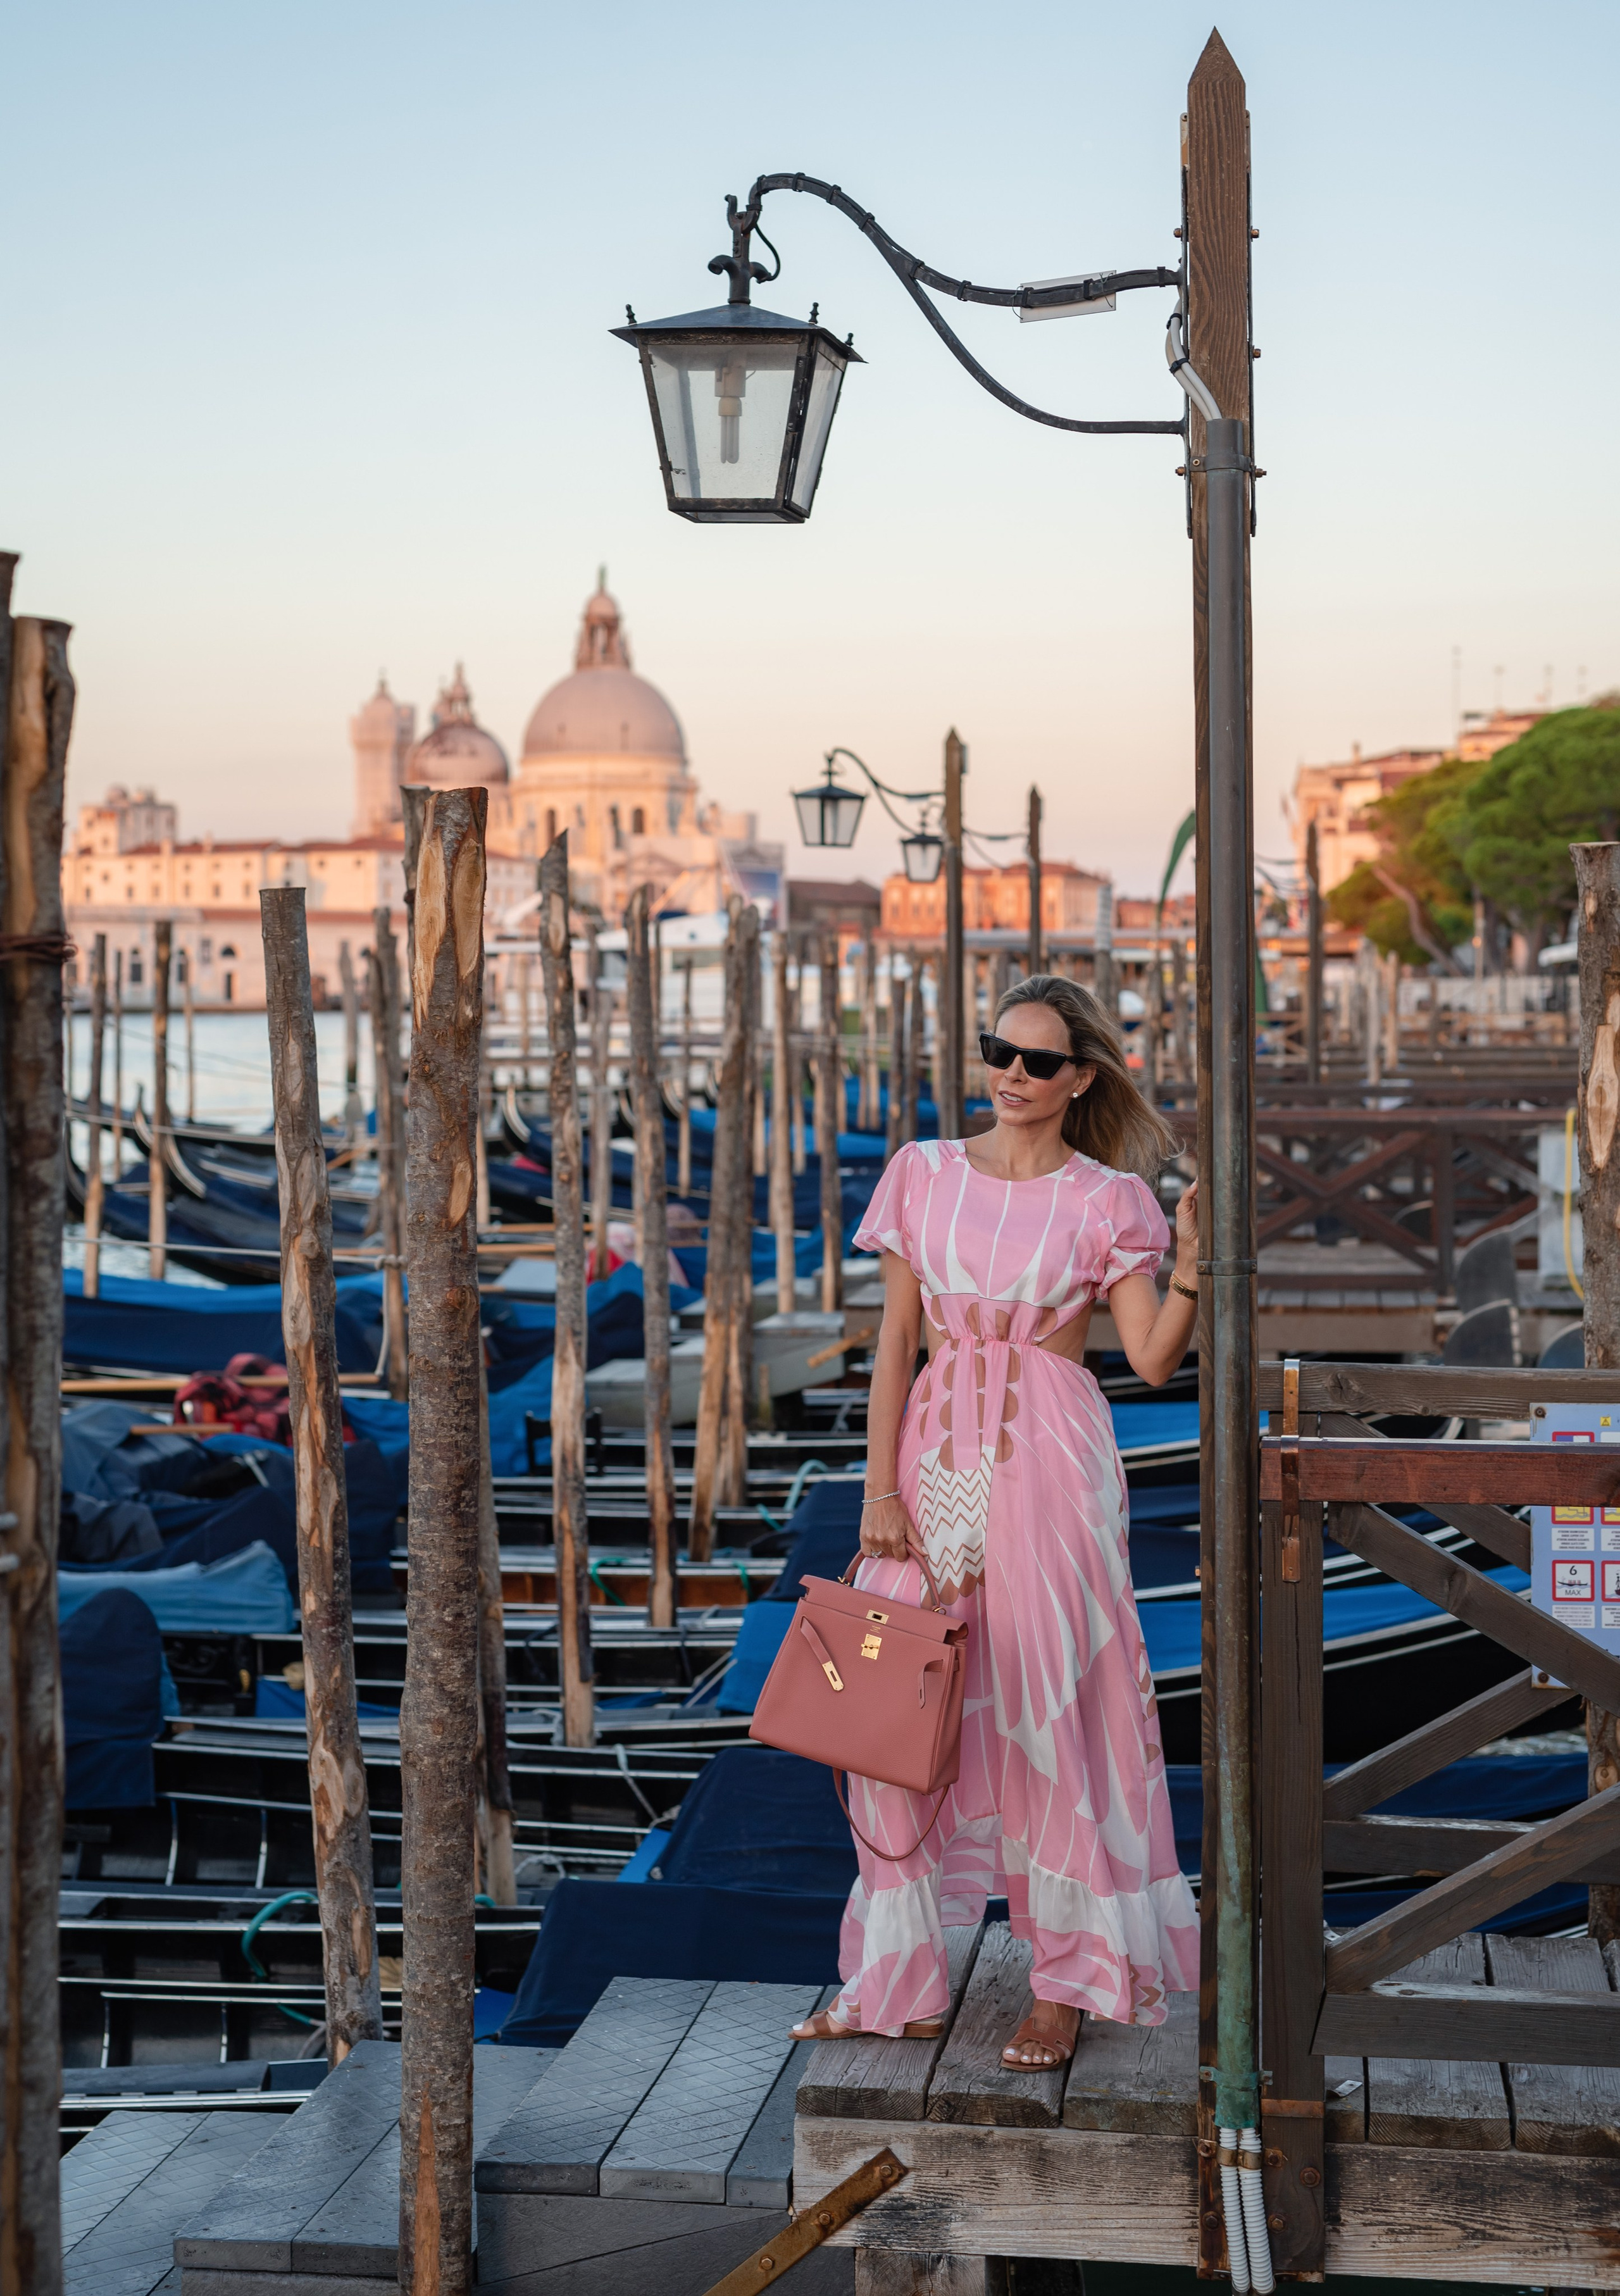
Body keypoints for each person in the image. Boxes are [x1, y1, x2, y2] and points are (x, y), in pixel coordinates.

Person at [790, 974, 1200, 2068]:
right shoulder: (922, 1173)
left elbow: (1153, 1358)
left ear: (1082, 1079)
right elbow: (895, 1344)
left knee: (1051, 1703)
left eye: (1038, 1061)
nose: (1012, 1075)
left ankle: (1066, 1985)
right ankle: (900, 1981)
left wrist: (1194, 1272)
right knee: (895, 1702)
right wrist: (878, 1491)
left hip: (1054, 1467)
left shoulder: (1110, 1199)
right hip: (934, 1462)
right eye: (998, 1052)